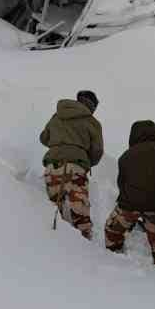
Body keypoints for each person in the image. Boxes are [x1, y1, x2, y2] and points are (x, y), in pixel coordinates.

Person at [103, 120, 155, 268]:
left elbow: (122, 183)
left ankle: (113, 259)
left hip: (129, 205)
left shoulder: (125, 156)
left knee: (112, 231)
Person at [39, 90, 104, 240]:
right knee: (80, 212)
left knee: (52, 209)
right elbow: (97, 151)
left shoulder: (57, 116)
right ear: (92, 106)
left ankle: (53, 243)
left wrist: (58, 143)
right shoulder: (91, 122)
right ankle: (85, 249)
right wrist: (86, 161)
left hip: (52, 167)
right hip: (76, 167)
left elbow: (44, 138)